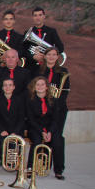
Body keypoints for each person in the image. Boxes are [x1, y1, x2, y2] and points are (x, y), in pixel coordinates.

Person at [38, 47, 69, 179]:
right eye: (48, 54)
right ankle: (44, 165)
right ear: (44, 56)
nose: (51, 57)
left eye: (54, 55)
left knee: (56, 138)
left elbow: (64, 92)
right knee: (42, 136)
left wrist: (54, 105)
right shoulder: (39, 71)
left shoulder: (63, 71)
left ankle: (58, 169)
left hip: (58, 110)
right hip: (41, 109)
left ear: (57, 57)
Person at [26, 76, 65, 179]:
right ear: (34, 87)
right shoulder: (30, 101)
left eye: (42, 84)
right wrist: (41, 132)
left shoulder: (54, 100)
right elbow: (31, 120)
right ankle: (30, 168)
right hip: (35, 128)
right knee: (37, 142)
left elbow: (55, 119)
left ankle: (58, 170)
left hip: (50, 128)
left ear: (47, 87)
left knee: (58, 142)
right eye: (37, 84)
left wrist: (50, 132)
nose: (40, 86)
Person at [0, 78, 25, 175]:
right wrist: (1, 130)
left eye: (10, 85)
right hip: (1, 130)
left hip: (16, 129)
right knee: (1, 144)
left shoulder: (20, 100)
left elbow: (21, 118)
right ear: (2, 88)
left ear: (14, 87)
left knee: (17, 144)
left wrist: (15, 131)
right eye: (5, 85)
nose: (7, 87)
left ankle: (17, 166)